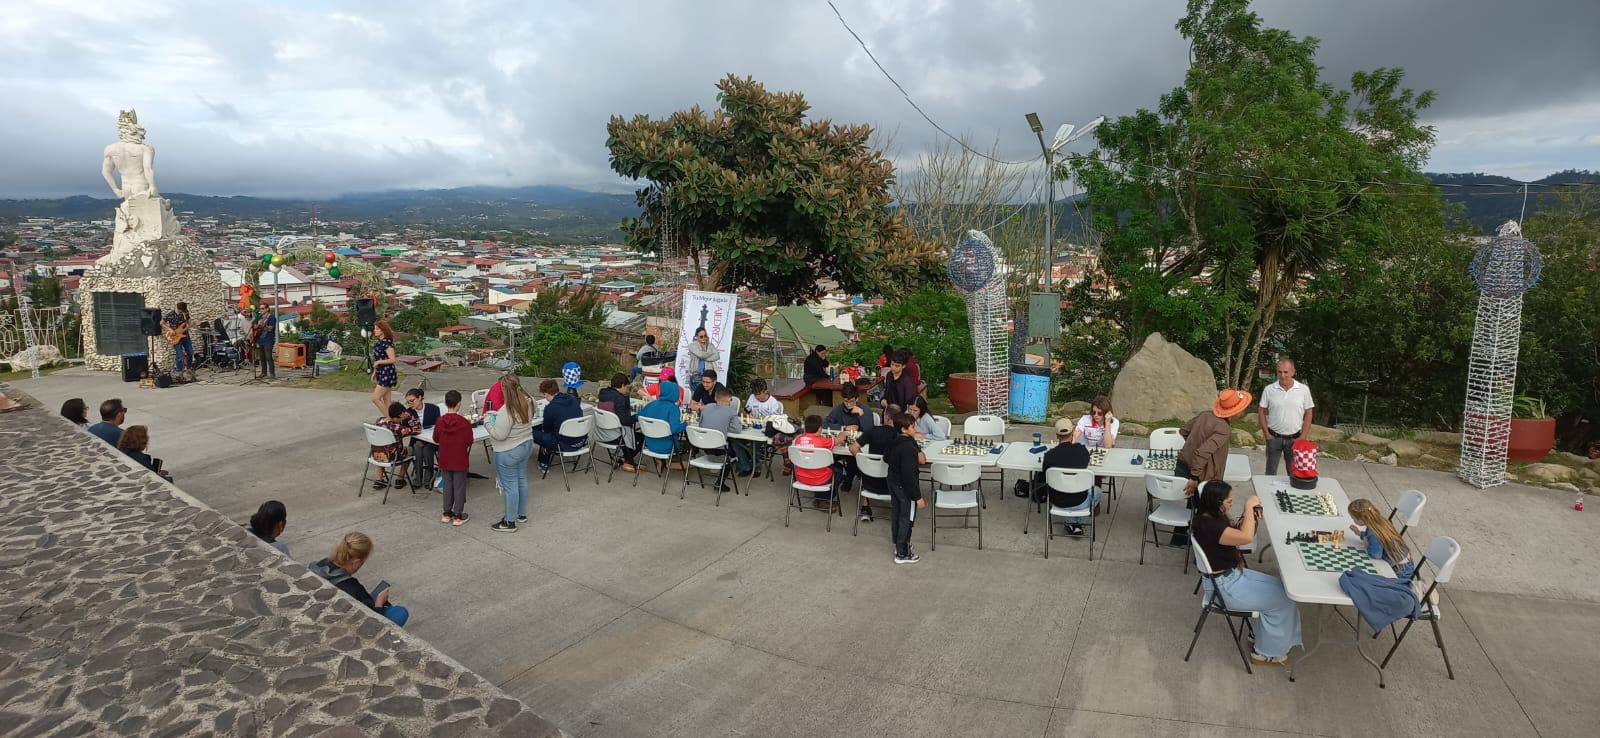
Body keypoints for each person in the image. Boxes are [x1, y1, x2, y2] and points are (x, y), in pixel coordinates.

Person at [1192, 481, 1300, 667]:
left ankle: (1258, 634)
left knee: (1283, 588)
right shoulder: (1209, 526)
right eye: (1228, 501)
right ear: (1216, 501)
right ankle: (1265, 653)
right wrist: (1249, 506)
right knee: (1284, 600)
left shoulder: (1209, 516)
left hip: (1232, 576)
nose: (1230, 504)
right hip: (1226, 589)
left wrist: (1252, 518)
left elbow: (1239, 534)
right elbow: (1245, 538)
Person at [1172, 389, 1252, 545]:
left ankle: (1178, 539)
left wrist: (1193, 443)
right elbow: (1202, 453)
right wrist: (1194, 477)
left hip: (1183, 465)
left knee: (1192, 504)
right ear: (1235, 412)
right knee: (1207, 511)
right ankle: (1202, 549)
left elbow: (1184, 431)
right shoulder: (1223, 429)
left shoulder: (1204, 415)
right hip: (1201, 476)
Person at [308, 532, 409, 627]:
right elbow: (373, 620)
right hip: (346, 619)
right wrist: (379, 602)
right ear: (356, 562)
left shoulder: (319, 565)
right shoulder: (353, 587)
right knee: (400, 612)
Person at [1034, 418, 1102, 535]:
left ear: (1057, 435)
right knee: (1098, 491)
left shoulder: (1049, 455)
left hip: (1057, 501)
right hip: (1080, 501)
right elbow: (1084, 462)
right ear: (1072, 433)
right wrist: (1074, 441)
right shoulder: (1081, 451)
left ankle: (1073, 523)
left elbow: (1045, 478)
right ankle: (1076, 523)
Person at [486, 373, 535, 532]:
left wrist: (488, 421)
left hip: (508, 450)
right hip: (526, 444)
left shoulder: (507, 410)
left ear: (504, 389)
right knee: (521, 479)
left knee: (510, 486)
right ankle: (521, 514)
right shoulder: (530, 401)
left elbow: (499, 435)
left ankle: (509, 522)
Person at [882, 412, 927, 563]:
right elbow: (909, 476)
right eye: (913, 427)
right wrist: (918, 497)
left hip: (892, 481)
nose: (915, 429)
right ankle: (903, 552)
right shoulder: (908, 449)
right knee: (907, 518)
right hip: (905, 487)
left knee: (897, 513)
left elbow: (886, 458)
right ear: (904, 429)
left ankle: (898, 543)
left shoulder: (895, 441)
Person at [1258, 359, 1315, 476]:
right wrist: (1266, 434)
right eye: (1279, 372)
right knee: (1270, 473)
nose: (1282, 375)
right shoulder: (1269, 390)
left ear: (1293, 372)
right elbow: (1261, 410)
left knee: (1294, 473)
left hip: (1295, 439)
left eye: (1286, 372)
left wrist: (1303, 436)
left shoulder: (1303, 390)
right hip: (1274, 437)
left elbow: (1309, 412)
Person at [850, 410, 906, 523]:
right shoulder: (901, 436)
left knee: (867, 470)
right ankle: (902, 510)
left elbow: (853, 448)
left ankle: (865, 507)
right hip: (891, 485)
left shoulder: (872, 431)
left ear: (886, 418)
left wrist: (864, 462)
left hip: (870, 484)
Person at [433, 390, 475, 526]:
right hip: (459, 458)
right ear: (459, 404)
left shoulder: (440, 421)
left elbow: (436, 438)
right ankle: (458, 515)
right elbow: (469, 441)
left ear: (445, 403)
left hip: (445, 458)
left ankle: (446, 513)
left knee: (447, 486)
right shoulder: (464, 422)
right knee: (459, 486)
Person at [1347, 498, 1416, 580]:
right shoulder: (1379, 521)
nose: (1353, 521)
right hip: (1405, 563)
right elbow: (1374, 538)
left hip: (1400, 571)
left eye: (1354, 519)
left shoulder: (1374, 532)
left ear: (1361, 520)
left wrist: (1367, 544)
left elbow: (1375, 554)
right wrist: (1360, 533)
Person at [698, 386, 753, 484]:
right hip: (720, 449)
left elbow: (701, 425)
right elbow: (737, 430)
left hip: (703, 446)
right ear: (729, 399)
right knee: (737, 444)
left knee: (731, 443)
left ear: (715, 398)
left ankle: (744, 465)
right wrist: (726, 425)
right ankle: (720, 482)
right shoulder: (731, 412)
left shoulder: (706, 407)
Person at [533, 378, 585, 473]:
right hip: (580, 440)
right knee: (551, 431)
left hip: (564, 444)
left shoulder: (550, 408)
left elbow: (547, 430)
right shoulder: (572, 399)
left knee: (533, 431)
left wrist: (545, 443)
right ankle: (544, 459)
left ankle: (543, 462)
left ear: (546, 394)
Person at [597, 373, 640, 472]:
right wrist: (637, 417)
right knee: (641, 438)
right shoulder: (620, 398)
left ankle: (623, 459)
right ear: (622, 385)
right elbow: (623, 420)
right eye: (626, 387)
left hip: (601, 432)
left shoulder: (602, 394)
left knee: (630, 432)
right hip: (615, 436)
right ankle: (626, 459)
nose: (626, 390)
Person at [372, 401, 420, 489]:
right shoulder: (398, 428)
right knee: (412, 450)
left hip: (376, 454)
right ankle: (400, 478)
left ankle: (379, 480)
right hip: (393, 455)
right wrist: (410, 416)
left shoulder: (380, 421)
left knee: (382, 448)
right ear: (401, 414)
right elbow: (417, 430)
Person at [793, 415, 836, 509]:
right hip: (820, 479)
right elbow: (837, 441)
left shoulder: (798, 440)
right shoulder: (822, 441)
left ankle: (821, 498)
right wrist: (843, 434)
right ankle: (823, 499)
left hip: (800, 477)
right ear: (820, 428)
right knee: (839, 470)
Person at [639, 378, 688, 458]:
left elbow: (638, 416)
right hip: (667, 447)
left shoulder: (651, 404)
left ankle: (662, 463)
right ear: (675, 393)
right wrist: (686, 424)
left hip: (649, 445)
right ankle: (676, 464)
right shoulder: (673, 408)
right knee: (690, 445)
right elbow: (674, 429)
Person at [405, 388, 441, 484]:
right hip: (416, 440)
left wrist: (425, 440)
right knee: (417, 448)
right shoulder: (408, 412)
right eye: (408, 402)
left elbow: (438, 427)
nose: (410, 404)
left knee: (427, 449)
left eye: (412, 401)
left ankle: (427, 476)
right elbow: (405, 430)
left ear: (420, 398)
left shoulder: (433, 409)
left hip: (432, 440)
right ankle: (418, 476)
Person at [370, 319, 399, 415]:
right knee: (386, 399)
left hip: (387, 372)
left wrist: (379, 362)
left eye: (377, 329)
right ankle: (392, 418)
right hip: (381, 372)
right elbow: (378, 358)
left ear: (383, 330)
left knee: (375, 398)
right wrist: (375, 372)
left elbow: (392, 359)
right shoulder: (378, 343)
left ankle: (389, 418)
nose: (375, 331)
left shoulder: (387, 343)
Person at [879, 349, 919, 413]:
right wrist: (883, 400)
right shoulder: (889, 375)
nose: (893, 368)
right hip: (889, 410)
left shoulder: (907, 381)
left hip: (902, 414)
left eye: (897, 366)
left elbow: (910, 402)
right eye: (892, 364)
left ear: (903, 366)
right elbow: (887, 392)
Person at [171, 301, 195, 381]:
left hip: (185, 336)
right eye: (181, 311)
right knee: (180, 355)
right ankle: (179, 371)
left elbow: (189, 322)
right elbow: (162, 323)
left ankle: (188, 369)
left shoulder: (185, 313)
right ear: (178, 308)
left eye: (183, 311)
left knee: (190, 352)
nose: (182, 312)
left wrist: (193, 323)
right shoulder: (170, 314)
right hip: (176, 337)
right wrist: (170, 330)